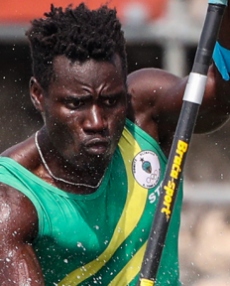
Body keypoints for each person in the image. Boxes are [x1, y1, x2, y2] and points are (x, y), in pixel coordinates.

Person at [0, 2, 230, 286]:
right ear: (38, 95)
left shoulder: (145, 112)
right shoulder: (11, 200)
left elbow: (222, 93)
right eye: (76, 104)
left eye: (111, 101)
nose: (97, 121)